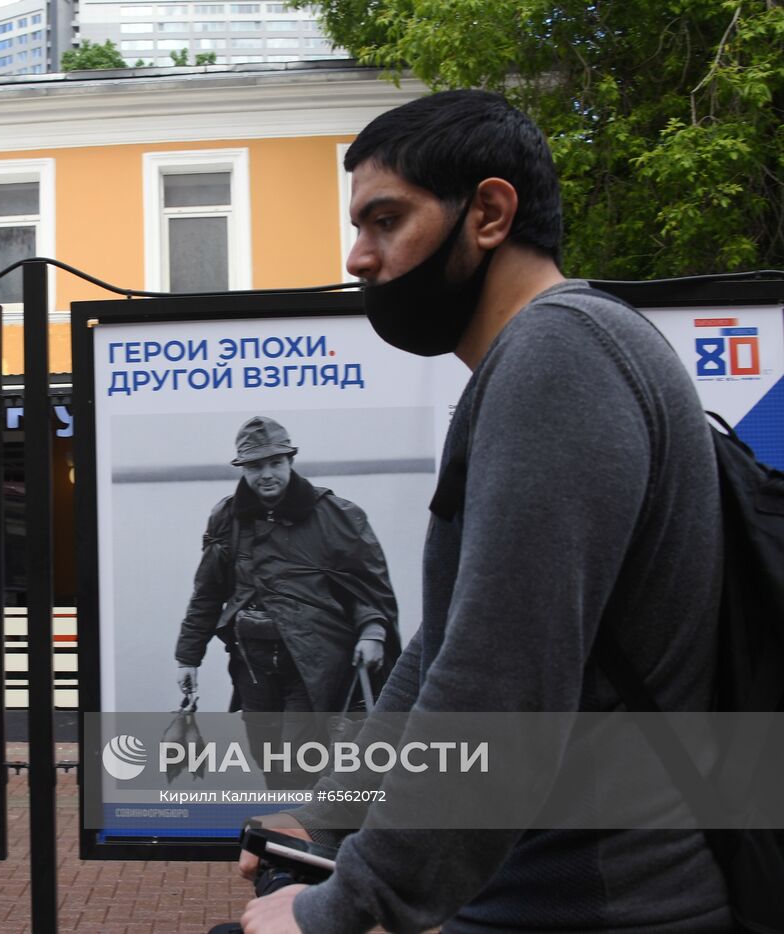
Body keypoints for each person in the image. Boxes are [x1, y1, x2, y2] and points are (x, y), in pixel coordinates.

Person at [235, 90, 728, 933]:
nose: (359, 257)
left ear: (490, 213)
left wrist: (341, 909)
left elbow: (498, 685)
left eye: (386, 220)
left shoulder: (559, 357)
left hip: (597, 902)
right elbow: (443, 650)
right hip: (555, 888)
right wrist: (329, 820)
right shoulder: (545, 357)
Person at [175, 415, 399, 788]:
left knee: (302, 762)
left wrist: (373, 632)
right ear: (244, 469)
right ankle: (288, 839)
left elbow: (364, 587)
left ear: (290, 461)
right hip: (252, 663)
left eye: (275, 463)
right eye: (256, 465)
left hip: (313, 662)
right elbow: (208, 592)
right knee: (267, 759)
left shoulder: (335, 516)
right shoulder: (226, 519)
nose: (267, 474)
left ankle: (309, 841)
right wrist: (188, 657)